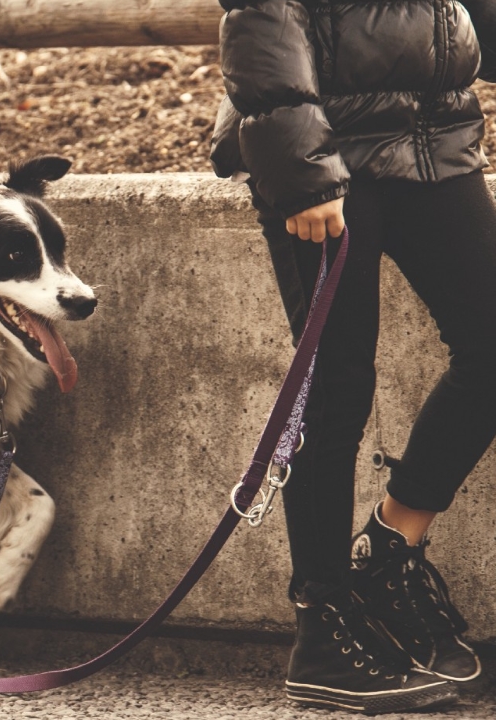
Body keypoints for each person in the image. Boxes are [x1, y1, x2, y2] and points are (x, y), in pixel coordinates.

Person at [210, 0, 496, 713]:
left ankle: (391, 550)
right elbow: (261, 14)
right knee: (335, 387)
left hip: (435, 137)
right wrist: (301, 169)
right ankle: (323, 624)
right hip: (328, 150)